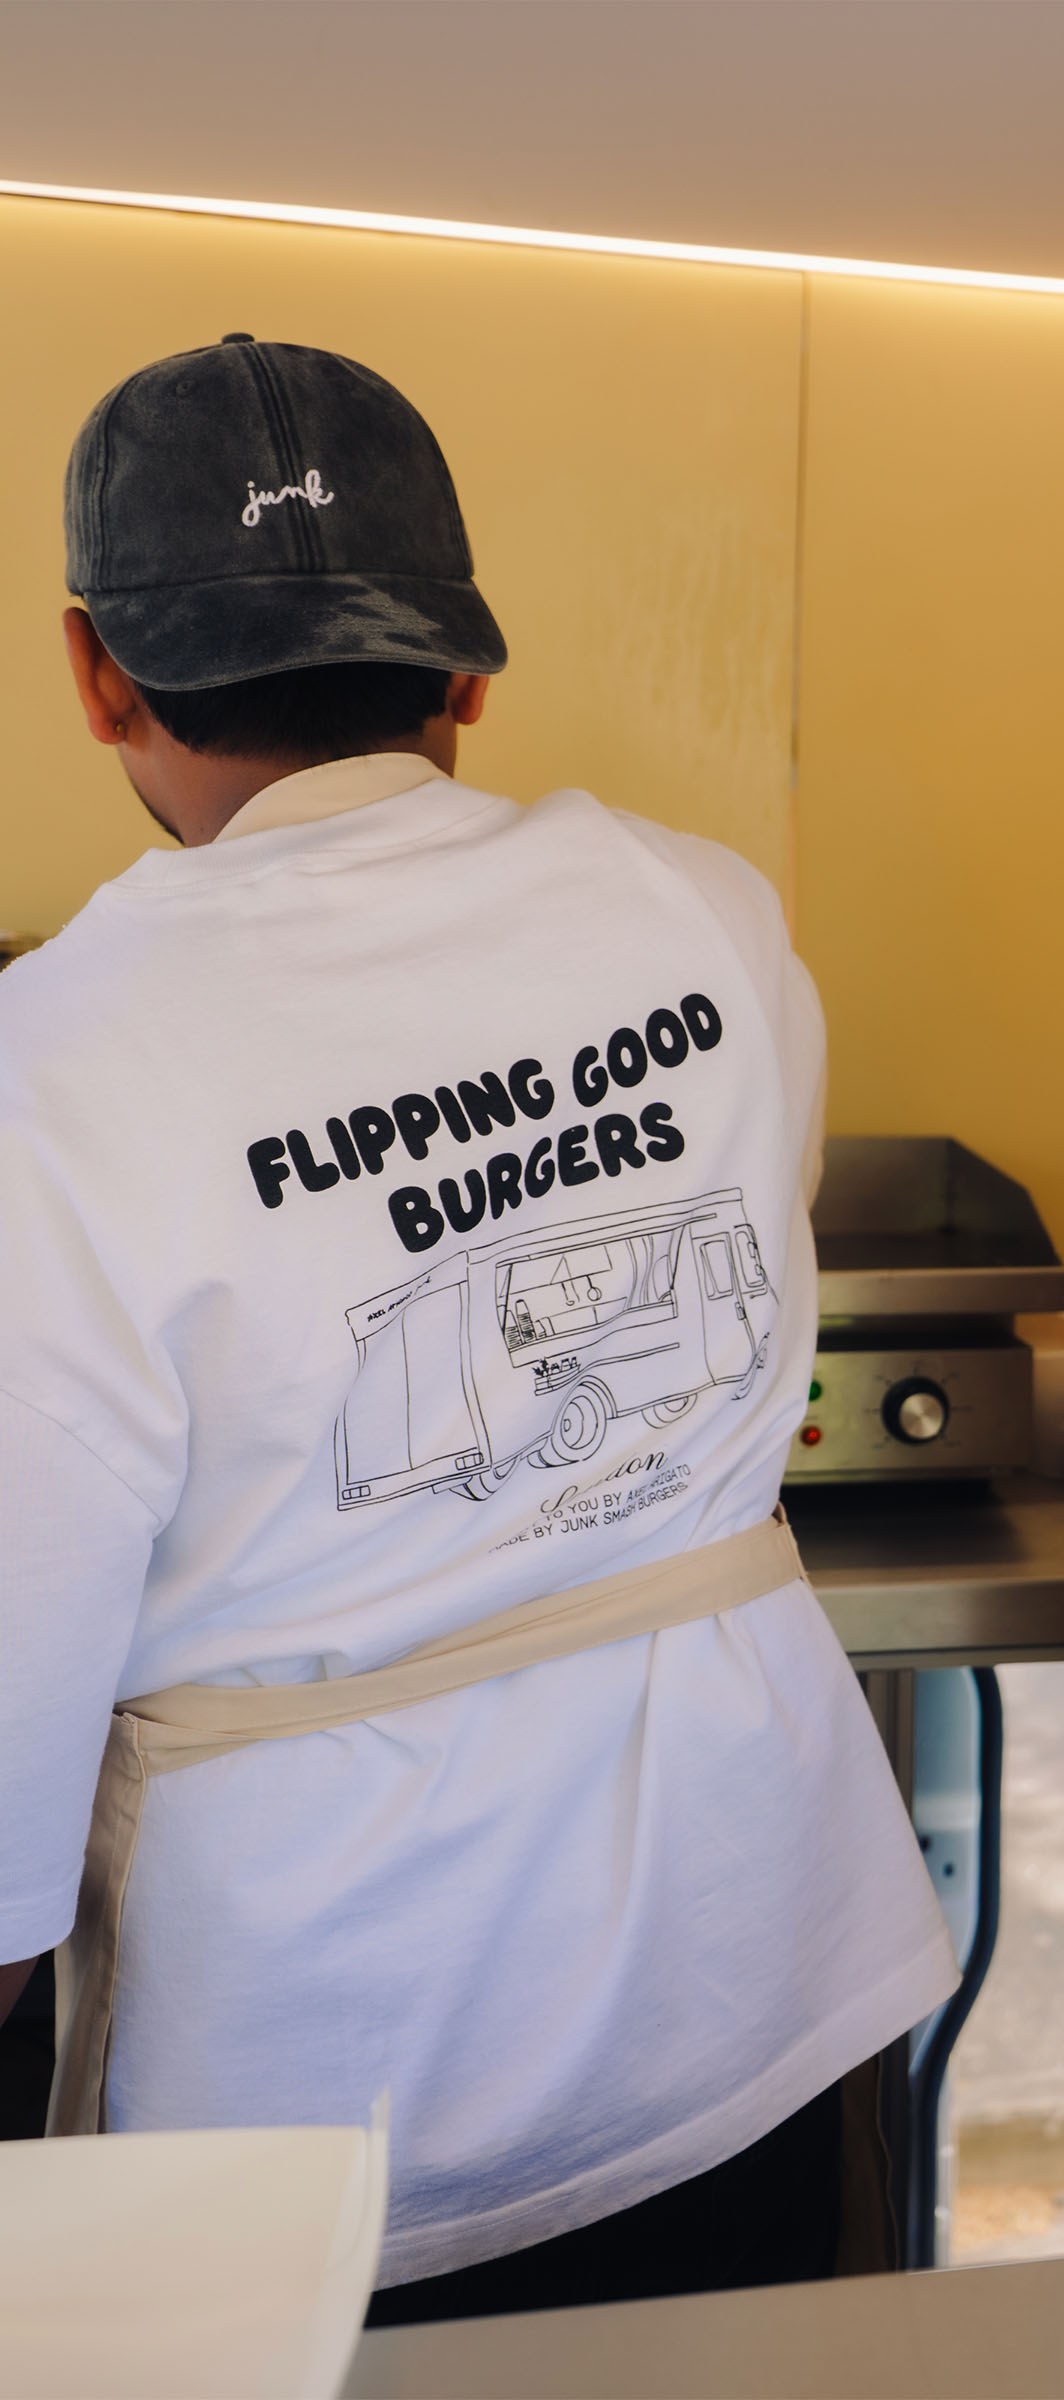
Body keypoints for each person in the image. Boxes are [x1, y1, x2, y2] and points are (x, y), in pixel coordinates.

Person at [0, 335, 956, 2316]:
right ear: (465, 663)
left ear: (95, 671)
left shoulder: (54, 1071)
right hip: (751, 1976)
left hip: (335, 2090)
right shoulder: (703, 911)